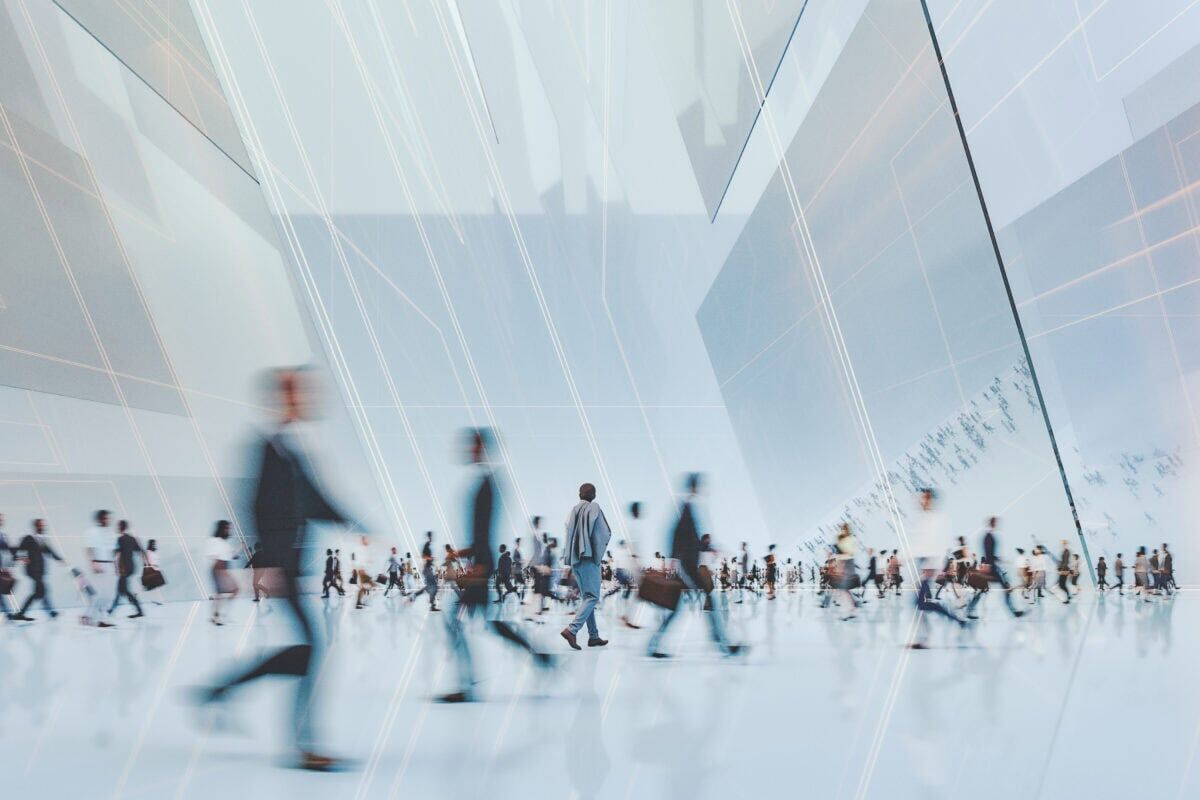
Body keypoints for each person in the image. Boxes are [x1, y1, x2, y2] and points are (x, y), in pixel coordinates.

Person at [196, 367, 362, 771]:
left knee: (306, 651)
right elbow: (254, 504)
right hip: (281, 565)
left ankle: (222, 689)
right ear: (284, 398)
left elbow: (318, 502)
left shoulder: (292, 452)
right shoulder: (269, 449)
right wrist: (265, 563)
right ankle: (304, 745)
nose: (307, 398)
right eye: (298, 392)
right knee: (310, 649)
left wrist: (358, 526)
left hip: (289, 564)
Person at [438, 428, 552, 702]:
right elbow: (480, 534)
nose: (470, 450)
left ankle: (467, 683)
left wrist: (476, 562)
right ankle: (542, 659)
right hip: (481, 561)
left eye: (474, 446)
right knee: (491, 624)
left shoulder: (487, 485)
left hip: (481, 564)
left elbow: (484, 532)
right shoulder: (486, 483)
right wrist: (462, 553)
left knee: (454, 620)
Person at [646, 473, 742, 659]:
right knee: (707, 599)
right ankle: (721, 641)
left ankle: (654, 644)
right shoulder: (687, 507)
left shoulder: (689, 507)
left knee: (679, 607)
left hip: (687, 563)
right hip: (687, 565)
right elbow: (675, 535)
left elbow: (689, 539)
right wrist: (672, 560)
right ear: (694, 487)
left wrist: (709, 548)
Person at [560, 483, 611, 650]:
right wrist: (597, 555)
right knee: (593, 597)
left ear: (579, 494)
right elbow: (603, 533)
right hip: (589, 558)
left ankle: (593, 636)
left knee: (587, 598)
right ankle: (572, 630)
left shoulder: (573, 510)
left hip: (576, 560)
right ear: (593, 495)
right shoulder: (594, 508)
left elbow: (568, 531)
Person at [965, 517, 1023, 619]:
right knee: (1003, 586)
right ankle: (1013, 611)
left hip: (992, 566)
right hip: (990, 568)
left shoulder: (989, 536)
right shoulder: (988, 536)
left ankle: (1013, 611)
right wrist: (988, 565)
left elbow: (990, 553)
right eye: (995, 522)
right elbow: (987, 553)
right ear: (992, 523)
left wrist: (998, 559)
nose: (997, 524)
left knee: (989, 588)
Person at [8, 519, 64, 621]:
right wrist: (20, 558)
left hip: (40, 570)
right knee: (41, 590)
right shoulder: (29, 538)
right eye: (41, 525)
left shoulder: (42, 540)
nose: (43, 527)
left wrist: (60, 559)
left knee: (40, 592)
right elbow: (14, 549)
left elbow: (49, 551)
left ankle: (22, 613)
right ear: (36, 526)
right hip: (33, 570)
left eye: (43, 525)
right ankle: (47, 612)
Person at [84, 510, 117, 627]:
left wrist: (116, 565)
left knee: (108, 594)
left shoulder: (110, 532)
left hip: (110, 565)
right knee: (98, 594)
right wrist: (93, 563)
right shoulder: (92, 532)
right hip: (99, 564)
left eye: (108, 518)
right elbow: (89, 549)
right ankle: (88, 616)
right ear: (99, 519)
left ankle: (102, 619)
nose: (107, 520)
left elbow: (113, 550)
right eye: (104, 518)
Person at [109, 520, 145, 619]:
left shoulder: (120, 539)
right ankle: (113, 609)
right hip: (131, 567)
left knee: (122, 589)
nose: (117, 528)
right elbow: (141, 551)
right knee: (122, 590)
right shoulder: (132, 538)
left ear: (121, 527)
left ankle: (112, 610)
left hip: (124, 568)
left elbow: (115, 553)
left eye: (118, 526)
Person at [206, 520, 237, 625]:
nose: (228, 530)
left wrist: (237, 551)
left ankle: (216, 615)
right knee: (230, 591)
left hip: (222, 569)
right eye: (227, 528)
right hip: (219, 569)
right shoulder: (214, 541)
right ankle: (218, 615)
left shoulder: (223, 543)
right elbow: (212, 554)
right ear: (222, 529)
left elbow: (232, 555)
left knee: (222, 593)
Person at [410, 531, 439, 611]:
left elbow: (427, 557)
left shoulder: (428, 545)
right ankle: (432, 605)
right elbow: (423, 556)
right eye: (431, 536)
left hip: (427, 568)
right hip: (426, 569)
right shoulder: (426, 545)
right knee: (434, 587)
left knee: (429, 587)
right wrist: (430, 558)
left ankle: (415, 595)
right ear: (429, 537)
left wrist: (432, 562)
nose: (432, 538)